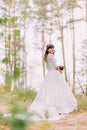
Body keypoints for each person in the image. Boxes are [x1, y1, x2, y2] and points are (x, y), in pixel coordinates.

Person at [28, 44, 77, 121]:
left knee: (52, 91)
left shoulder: (47, 57)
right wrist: (60, 70)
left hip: (50, 74)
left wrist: (58, 68)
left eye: (53, 48)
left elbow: (50, 66)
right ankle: (59, 109)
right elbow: (55, 66)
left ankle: (57, 108)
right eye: (50, 48)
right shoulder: (51, 55)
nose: (52, 49)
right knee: (58, 90)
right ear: (47, 49)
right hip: (54, 74)